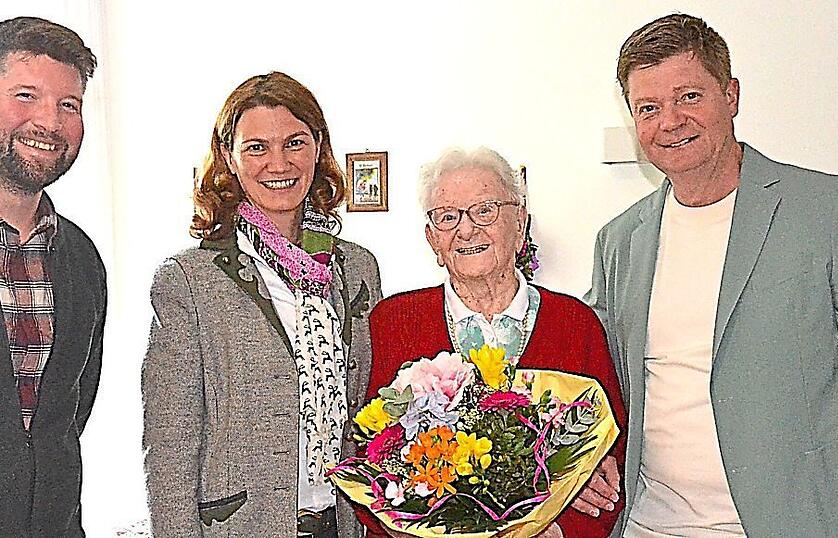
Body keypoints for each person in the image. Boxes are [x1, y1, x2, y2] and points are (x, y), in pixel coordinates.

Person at [585, 13, 838, 537]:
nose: (669, 121)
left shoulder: (826, 211)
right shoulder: (619, 241)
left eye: (689, 97)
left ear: (731, 95)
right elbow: (597, 382)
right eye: (648, 108)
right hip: (648, 526)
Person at [143, 72, 382, 538]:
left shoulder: (357, 268)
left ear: (318, 148)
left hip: (344, 523)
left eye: (295, 142)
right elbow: (169, 444)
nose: (278, 163)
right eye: (256, 147)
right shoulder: (188, 280)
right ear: (228, 158)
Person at [360, 147, 627, 537]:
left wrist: (559, 530)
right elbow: (363, 452)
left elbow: (609, 458)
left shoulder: (574, 323)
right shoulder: (392, 323)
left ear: (519, 224)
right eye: (448, 217)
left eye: (484, 210)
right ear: (433, 240)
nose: (466, 230)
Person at [0, 16, 105, 537]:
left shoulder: (83, 260)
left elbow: (69, 416)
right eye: (25, 94)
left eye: (70, 105)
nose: (50, 121)